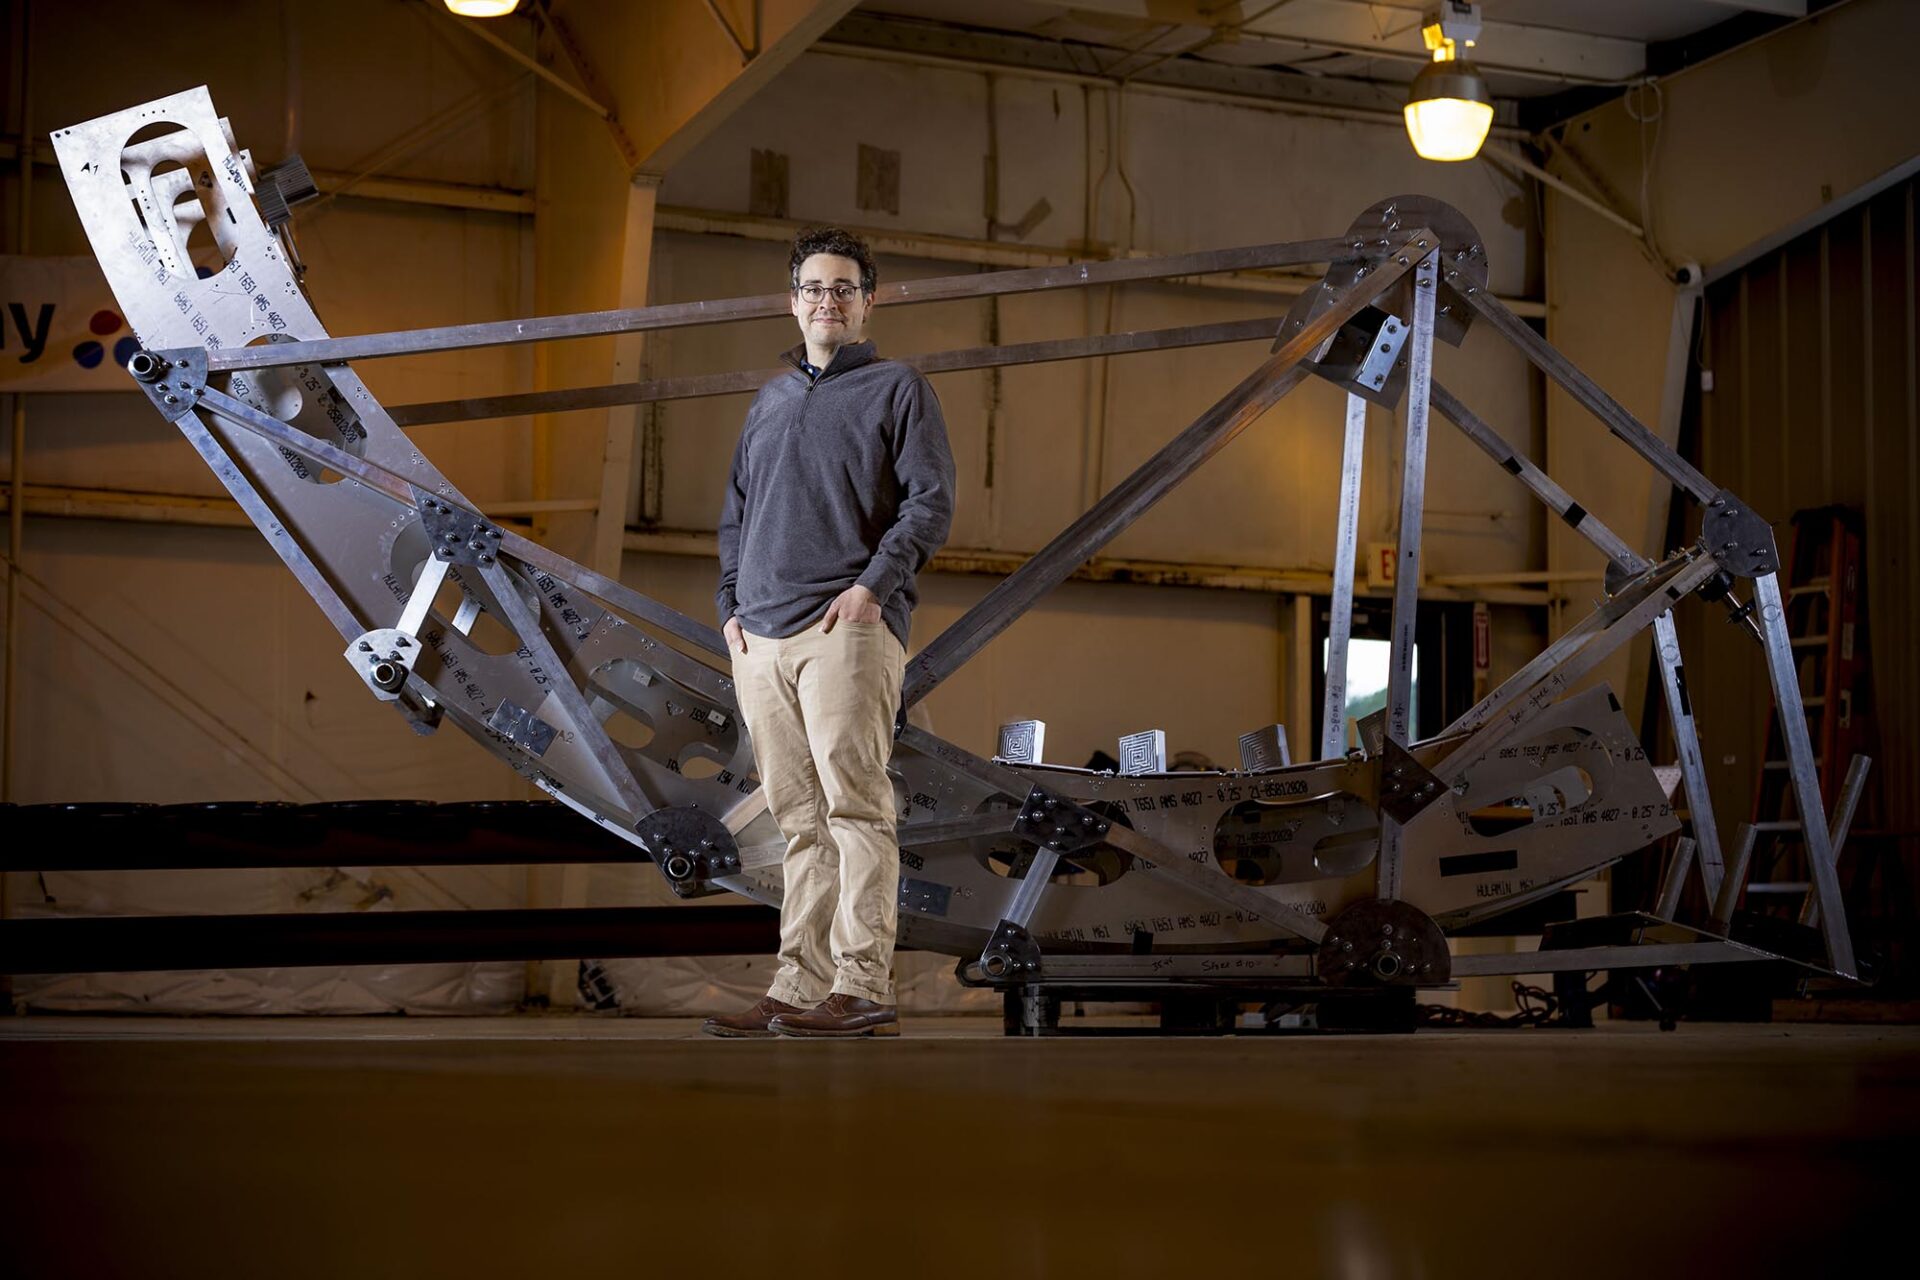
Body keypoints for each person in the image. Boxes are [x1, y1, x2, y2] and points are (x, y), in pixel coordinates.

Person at [702, 227, 954, 1039]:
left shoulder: (898, 389)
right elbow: (737, 513)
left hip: (844, 630)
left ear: (868, 301)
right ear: (794, 301)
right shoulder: (771, 400)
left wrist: (870, 591)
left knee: (854, 810)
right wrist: (730, 609)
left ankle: (861, 982)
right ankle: (798, 987)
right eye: (814, 288)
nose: (828, 301)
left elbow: (929, 503)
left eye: (844, 288)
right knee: (796, 823)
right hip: (761, 641)